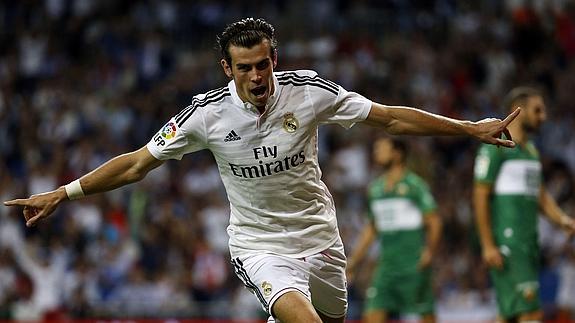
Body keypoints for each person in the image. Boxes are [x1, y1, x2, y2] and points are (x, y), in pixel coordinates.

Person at [4, 18, 519, 323]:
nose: (257, 76)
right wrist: (64, 193)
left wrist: (468, 128)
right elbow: (138, 163)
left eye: (263, 64)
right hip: (260, 246)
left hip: (320, 238)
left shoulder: (310, 91)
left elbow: (389, 119)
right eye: (244, 67)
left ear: (276, 59)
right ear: (226, 69)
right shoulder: (204, 115)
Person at [473, 86, 575, 323]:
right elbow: (479, 194)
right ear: (517, 111)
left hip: (529, 243)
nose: (543, 117)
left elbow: (540, 196)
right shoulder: (496, 146)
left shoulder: (530, 151)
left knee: (510, 313)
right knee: (530, 312)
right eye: (537, 110)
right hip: (508, 243)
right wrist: (488, 244)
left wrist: (562, 220)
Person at [346, 137, 441, 323]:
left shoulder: (415, 185)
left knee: (426, 315)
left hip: (413, 265)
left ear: (397, 154)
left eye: (381, 149)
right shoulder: (375, 189)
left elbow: (435, 222)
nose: (376, 153)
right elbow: (371, 230)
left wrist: (429, 252)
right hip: (387, 267)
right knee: (371, 314)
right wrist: (354, 261)